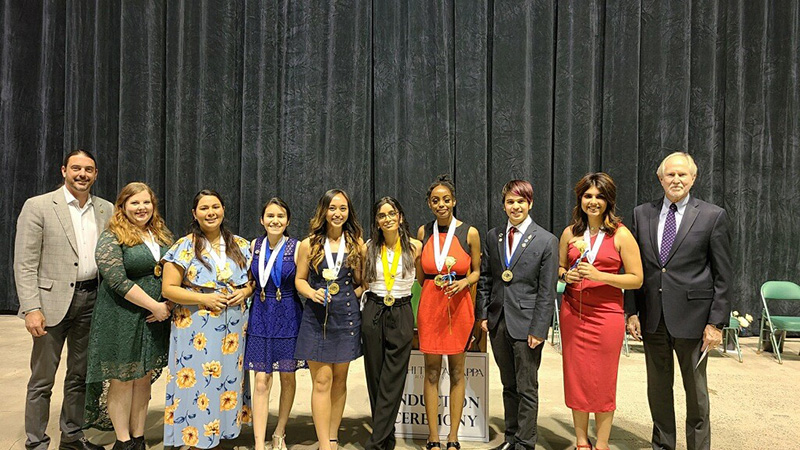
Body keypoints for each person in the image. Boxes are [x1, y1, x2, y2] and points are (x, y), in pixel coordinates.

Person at [625, 152, 731, 450]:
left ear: (693, 179)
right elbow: (636, 268)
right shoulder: (641, 213)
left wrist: (716, 322)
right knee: (658, 391)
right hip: (652, 318)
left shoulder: (712, 215)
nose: (676, 180)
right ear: (661, 179)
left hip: (695, 321)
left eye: (683, 175)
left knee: (696, 394)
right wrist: (631, 311)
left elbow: (724, 275)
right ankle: (663, 446)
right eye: (670, 174)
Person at [14, 150, 111, 450]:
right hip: (50, 304)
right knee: (42, 380)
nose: (82, 174)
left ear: (96, 174)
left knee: (80, 376)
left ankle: (71, 437)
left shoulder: (105, 209)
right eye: (76, 169)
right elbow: (25, 263)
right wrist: (31, 308)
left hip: (91, 300)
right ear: (63, 171)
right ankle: (36, 442)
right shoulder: (39, 206)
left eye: (88, 170)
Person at [160, 189, 254, 449]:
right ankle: (194, 437)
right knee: (198, 380)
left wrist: (244, 291)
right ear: (194, 213)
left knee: (225, 380)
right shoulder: (184, 246)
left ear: (223, 210)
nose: (210, 212)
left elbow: (253, 283)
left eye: (215, 207)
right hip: (196, 328)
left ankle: (221, 431)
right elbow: (169, 288)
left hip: (233, 329)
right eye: (204, 208)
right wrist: (204, 299)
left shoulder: (240, 245)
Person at [84, 182, 173, 450]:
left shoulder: (161, 234)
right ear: (122, 206)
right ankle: (122, 441)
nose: (141, 208)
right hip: (121, 316)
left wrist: (167, 302)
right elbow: (117, 281)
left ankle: (138, 437)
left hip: (154, 319)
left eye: (146, 202)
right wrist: (155, 306)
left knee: (143, 377)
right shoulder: (111, 236)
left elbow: (175, 268)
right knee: (122, 378)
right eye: (134, 203)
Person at [557, 173, 643, 450]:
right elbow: (559, 269)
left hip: (606, 315)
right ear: (580, 199)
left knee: (603, 378)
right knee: (576, 375)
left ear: (608, 200)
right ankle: (582, 440)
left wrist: (600, 275)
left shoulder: (621, 234)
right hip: (573, 312)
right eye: (588, 196)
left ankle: (603, 442)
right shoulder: (570, 233)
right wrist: (566, 276)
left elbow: (637, 279)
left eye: (599, 196)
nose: (593, 201)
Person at [476, 180, 558, 450]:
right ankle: (511, 438)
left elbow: (547, 291)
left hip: (527, 326)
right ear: (504, 206)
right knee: (508, 385)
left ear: (530, 203)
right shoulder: (493, 236)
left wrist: (539, 329)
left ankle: (525, 442)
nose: (515, 206)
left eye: (521, 201)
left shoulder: (546, 240)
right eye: (510, 202)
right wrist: (484, 314)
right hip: (498, 322)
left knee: (526, 387)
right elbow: (486, 278)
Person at [294, 189, 364, 450]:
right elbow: (299, 279)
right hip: (315, 318)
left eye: (343, 208)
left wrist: (347, 296)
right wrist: (312, 293)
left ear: (349, 212)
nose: (337, 213)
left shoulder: (356, 243)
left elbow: (360, 283)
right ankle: (324, 443)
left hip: (346, 319)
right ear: (323, 211)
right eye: (332, 208)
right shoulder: (309, 244)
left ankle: (333, 437)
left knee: (340, 381)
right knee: (322, 381)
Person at [416, 175, 481, 450]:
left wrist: (464, 281)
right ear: (430, 204)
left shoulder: (470, 233)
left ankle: (453, 436)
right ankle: (433, 435)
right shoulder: (423, 232)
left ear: (454, 201)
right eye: (435, 200)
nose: (441, 204)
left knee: (457, 371)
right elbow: (420, 277)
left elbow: (477, 270)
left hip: (459, 306)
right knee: (430, 372)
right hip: (431, 305)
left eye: (446, 199)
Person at [360, 197, 423, 450]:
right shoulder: (368, 248)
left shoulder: (415, 247)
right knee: (375, 376)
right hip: (374, 310)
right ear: (376, 221)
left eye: (391, 213)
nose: (387, 218)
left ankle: (375, 442)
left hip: (401, 310)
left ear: (400, 217)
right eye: (381, 215)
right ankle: (386, 436)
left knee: (393, 378)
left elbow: (423, 277)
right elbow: (362, 280)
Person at [244, 197, 307, 450]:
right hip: (260, 312)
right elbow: (250, 281)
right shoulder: (253, 246)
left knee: (287, 376)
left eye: (280, 216)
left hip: (289, 313)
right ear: (262, 220)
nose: (275, 220)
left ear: (288, 220)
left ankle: (279, 431)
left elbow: (302, 279)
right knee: (261, 379)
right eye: (270, 216)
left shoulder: (297, 246)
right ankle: (259, 442)